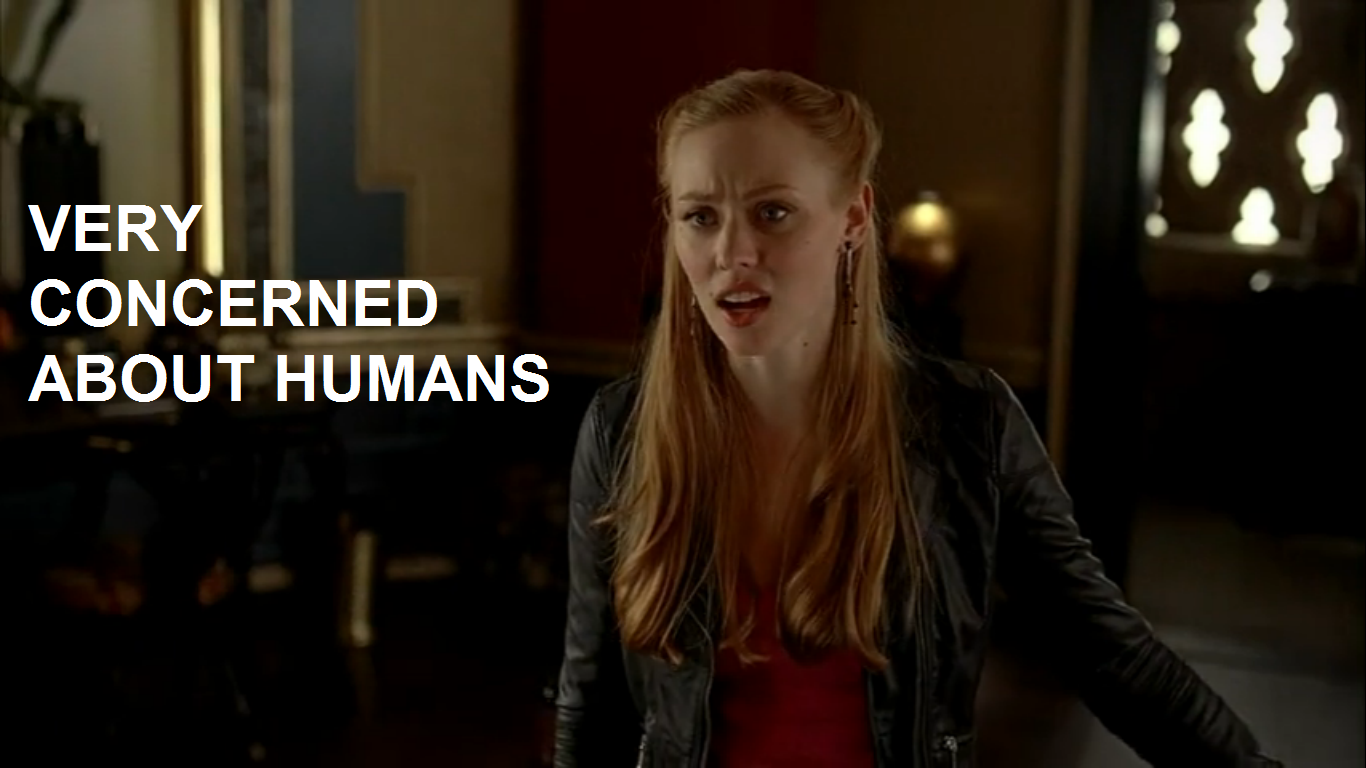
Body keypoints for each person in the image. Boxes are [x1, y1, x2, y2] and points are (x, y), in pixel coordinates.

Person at [554, 69, 1281, 768]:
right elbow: (592, 705)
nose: (731, 253)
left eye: (772, 212)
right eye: (700, 217)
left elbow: (1111, 653)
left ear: (853, 219)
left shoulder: (967, 425)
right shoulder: (622, 430)